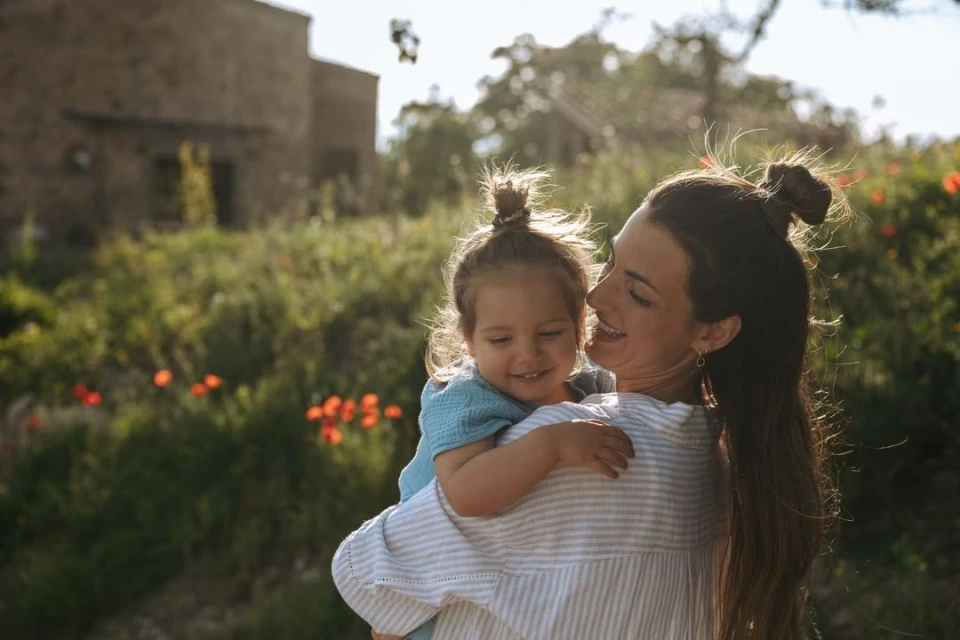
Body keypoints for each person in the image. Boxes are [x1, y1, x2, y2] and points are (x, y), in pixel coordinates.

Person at [333, 155, 840, 640]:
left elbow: (365, 573)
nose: (595, 298)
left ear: (713, 331)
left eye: (638, 293)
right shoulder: (720, 462)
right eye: (613, 263)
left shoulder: (579, 451)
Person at [380, 167, 635, 640]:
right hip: (437, 602)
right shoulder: (464, 396)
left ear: (580, 323)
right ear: (469, 340)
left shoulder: (592, 387)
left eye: (550, 333)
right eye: (501, 339)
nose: (527, 354)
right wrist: (552, 445)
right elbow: (466, 493)